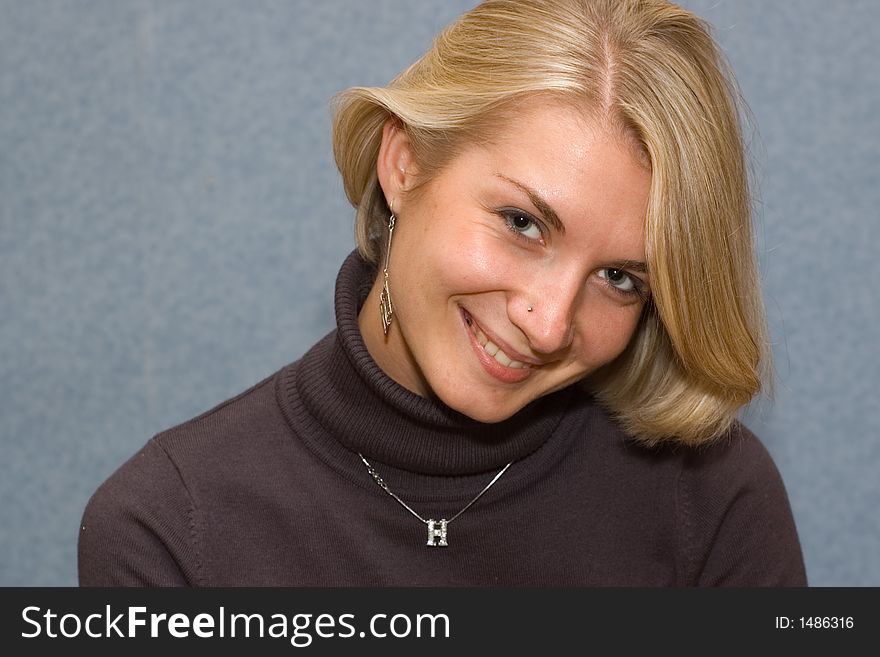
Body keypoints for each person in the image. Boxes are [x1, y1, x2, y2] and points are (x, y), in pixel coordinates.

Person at [79, 0, 806, 586]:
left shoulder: (712, 499)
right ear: (402, 163)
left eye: (620, 278)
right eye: (523, 223)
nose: (549, 324)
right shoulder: (171, 528)